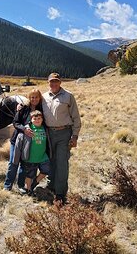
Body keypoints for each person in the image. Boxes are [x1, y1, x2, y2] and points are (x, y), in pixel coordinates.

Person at [42, 73, 81, 205]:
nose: (53, 84)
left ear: (60, 82)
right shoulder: (44, 97)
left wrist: (74, 136)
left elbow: (76, 117)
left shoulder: (68, 96)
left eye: (56, 81)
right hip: (49, 134)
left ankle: (60, 193)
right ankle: (51, 185)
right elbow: (34, 108)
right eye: (51, 82)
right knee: (51, 160)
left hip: (64, 133)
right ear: (48, 82)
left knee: (62, 162)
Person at [3, 89, 43, 191]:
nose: (34, 99)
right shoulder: (23, 108)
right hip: (17, 140)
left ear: (39, 98)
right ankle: (7, 185)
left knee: (24, 164)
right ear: (29, 98)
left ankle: (21, 185)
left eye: (36, 97)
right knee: (13, 163)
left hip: (31, 143)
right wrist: (24, 129)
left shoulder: (41, 110)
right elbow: (15, 122)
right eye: (32, 97)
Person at [13, 110, 50, 195]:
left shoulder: (45, 128)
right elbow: (19, 144)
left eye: (39, 118)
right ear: (31, 119)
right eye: (35, 119)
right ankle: (29, 190)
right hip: (31, 157)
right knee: (30, 175)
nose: (37, 120)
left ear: (42, 119)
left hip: (43, 156)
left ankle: (35, 183)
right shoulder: (28, 129)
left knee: (46, 170)